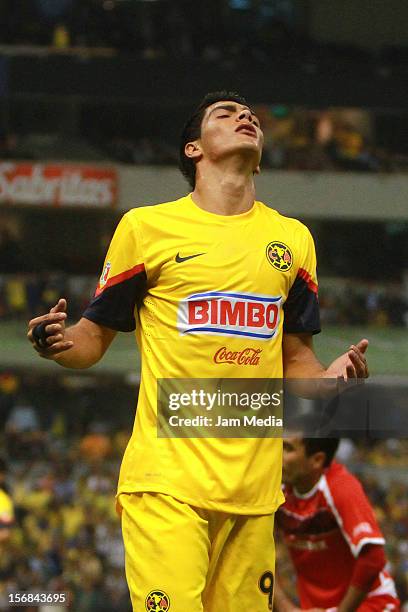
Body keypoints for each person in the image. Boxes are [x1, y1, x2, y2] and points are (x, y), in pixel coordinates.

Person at [27, 91, 369, 611]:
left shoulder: (293, 240)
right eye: (226, 114)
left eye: (249, 113)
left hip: (254, 495)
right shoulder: (145, 229)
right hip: (167, 483)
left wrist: (333, 380)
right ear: (193, 149)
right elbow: (91, 339)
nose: (246, 117)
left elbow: (297, 361)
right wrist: (57, 342)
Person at [274, 436, 400, 612]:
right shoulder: (276, 488)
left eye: (288, 449)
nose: (278, 454)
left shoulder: (340, 487)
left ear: (317, 459)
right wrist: (287, 608)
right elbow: (256, 552)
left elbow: (373, 558)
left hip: (371, 606)